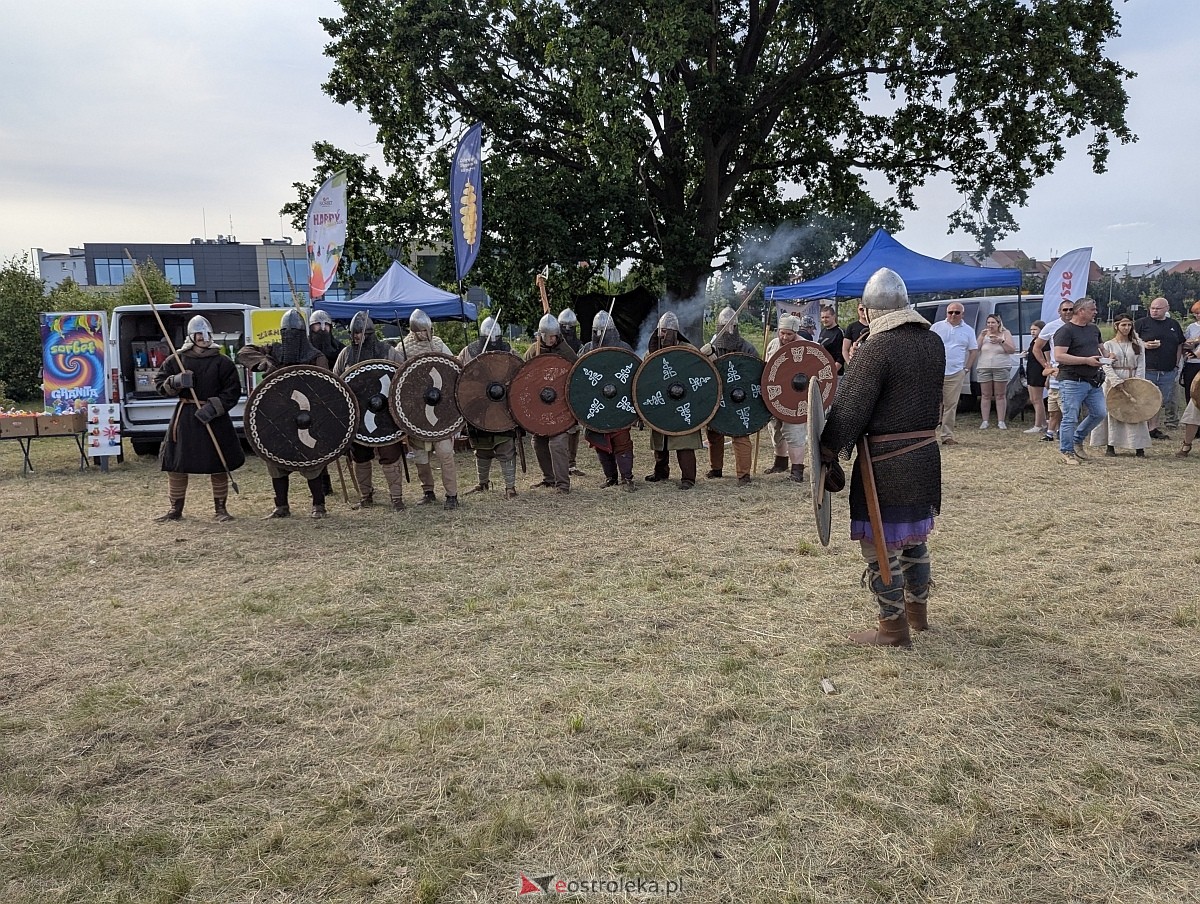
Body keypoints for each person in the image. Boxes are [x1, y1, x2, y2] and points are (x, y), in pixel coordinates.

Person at [820, 268, 944, 648]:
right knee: (913, 540)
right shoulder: (932, 341)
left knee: (880, 543)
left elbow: (850, 409)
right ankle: (917, 614)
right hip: (923, 454)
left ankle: (892, 629)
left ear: (869, 311)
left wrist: (828, 451)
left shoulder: (878, 347)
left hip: (885, 463)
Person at [237, 308, 333, 519]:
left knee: (311, 460)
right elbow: (243, 353)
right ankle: (281, 506)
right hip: (279, 415)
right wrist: (264, 362)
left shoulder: (315, 357)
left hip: (307, 415)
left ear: (302, 333)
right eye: (286, 332)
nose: (290, 336)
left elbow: (325, 388)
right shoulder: (275, 351)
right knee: (275, 459)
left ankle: (319, 505)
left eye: (294, 332)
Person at [153, 315, 246, 523]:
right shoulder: (177, 360)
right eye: (199, 334)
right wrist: (176, 381)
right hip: (185, 418)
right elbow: (159, 384)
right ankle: (175, 509)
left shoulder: (222, 362)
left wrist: (213, 408)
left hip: (214, 418)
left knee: (218, 463)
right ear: (191, 336)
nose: (203, 338)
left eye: (206, 334)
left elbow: (232, 391)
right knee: (176, 464)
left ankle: (220, 509)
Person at [332, 310, 408, 511]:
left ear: (371, 334)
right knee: (361, 457)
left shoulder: (388, 352)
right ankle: (366, 496)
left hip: (385, 415)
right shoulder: (346, 355)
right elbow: (337, 383)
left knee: (390, 455)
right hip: (357, 415)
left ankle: (396, 497)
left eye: (362, 333)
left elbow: (402, 378)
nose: (358, 337)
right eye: (355, 333)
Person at [398, 308, 461, 510]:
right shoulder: (402, 349)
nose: (426, 335)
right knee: (420, 456)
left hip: (440, 408)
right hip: (416, 411)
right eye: (422, 331)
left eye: (428, 330)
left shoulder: (439, 345)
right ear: (414, 330)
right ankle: (428, 491)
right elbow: (398, 381)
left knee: (445, 453)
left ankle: (452, 495)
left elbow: (454, 370)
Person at [457, 316, 518, 499]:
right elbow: (459, 377)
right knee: (481, 448)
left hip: (502, 407)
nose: (493, 343)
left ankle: (510, 487)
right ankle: (482, 483)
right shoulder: (468, 352)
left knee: (505, 446)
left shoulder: (509, 351)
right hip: (478, 407)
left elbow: (520, 376)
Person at [578, 310, 639, 491]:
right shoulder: (587, 350)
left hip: (619, 404)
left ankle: (627, 478)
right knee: (601, 442)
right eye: (596, 331)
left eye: (603, 331)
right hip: (596, 403)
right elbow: (577, 378)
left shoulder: (624, 350)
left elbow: (635, 378)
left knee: (622, 442)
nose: (599, 335)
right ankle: (610, 477)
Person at [643, 311, 703, 489]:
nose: (662, 335)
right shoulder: (652, 353)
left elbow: (704, 374)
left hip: (684, 401)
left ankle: (688, 478)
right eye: (660, 331)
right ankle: (661, 472)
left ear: (675, 332)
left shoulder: (689, 351)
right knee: (660, 439)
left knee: (684, 441)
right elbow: (644, 377)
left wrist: (708, 356)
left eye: (666, 331)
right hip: (662, 401)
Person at [701, 305, 758, 486]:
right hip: (718, 396)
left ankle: (744, 475)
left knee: (740, 435)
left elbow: (755, 374)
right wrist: (705, 357)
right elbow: (703, 373)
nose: (729, 331)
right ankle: (716, 468)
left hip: (740, 399)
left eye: (732, 326)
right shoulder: (713, 347)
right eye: (725, 327)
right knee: (714, 434)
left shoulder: (747, 348)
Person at [524, 313, 577, 493]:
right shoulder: (533, 351)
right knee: (538, 441)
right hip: (541, 405)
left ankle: (563, 484)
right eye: (550, 336)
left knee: (558, 443)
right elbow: (523, 377)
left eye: (556, 335)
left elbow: (575, 375)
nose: (553, 339)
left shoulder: (566, 351)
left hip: (560, 406)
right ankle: (549, 478)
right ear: (542, 336)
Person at [1053, 297, 1107, 465]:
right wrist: (1086, 360)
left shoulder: (1093, 329)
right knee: (1070, 417)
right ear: (1081, 311)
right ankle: (1066, 451)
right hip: (1071, 380)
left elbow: (1102, 347)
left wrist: (1108, 356)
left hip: (1092, 379)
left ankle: (1077, 439)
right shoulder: (1065, 331)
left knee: (1100, 413)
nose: (1095, 312)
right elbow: (1059, 356)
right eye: (1092, 309)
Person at [1088, 313, 1149, 458]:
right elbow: (1106, 365)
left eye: (1129, 325)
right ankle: (1111, 445)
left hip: (1132, 379)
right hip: (1113, 381)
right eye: (1123, 325)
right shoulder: (1108, 345)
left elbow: (1141, 365)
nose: (1127, 328)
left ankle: (1137, 446)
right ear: (1116, 326)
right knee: (1114, 412)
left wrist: (1137, 382)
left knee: (1134, 411)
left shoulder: (1138, 344)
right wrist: (1115, 380)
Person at [763, 314, 808, 482]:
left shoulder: (806, 347)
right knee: (775, 428)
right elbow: (767, 369)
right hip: (776, 396)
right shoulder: (773, 345)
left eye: (789, 334)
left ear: (795, 332)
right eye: (782, 333)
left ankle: (797, 471)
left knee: (794, 432)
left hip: (796, 398)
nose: (784, 337)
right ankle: (780, 463)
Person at [1135, 297, 1185, 437]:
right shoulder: (1141, 323)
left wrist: (1176, 364)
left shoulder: (1174, 324)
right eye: (1152, 308)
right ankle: (1141, 427)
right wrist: (1143, 345)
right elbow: (1130, 341)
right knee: (1144, 399)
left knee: (1159, 400)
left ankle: (1153, 428)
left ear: (1167, 309)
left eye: (1158, 308)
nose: (1154, 311)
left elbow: (1179, 344)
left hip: (1168, 370)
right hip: (1147, 369)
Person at [930, 303, 978, 445]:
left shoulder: (968, 330)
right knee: (932, 405)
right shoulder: (936, 327)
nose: (953, 315)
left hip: (956, 372)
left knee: (951, 405)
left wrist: (966, 369)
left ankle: (947, 436)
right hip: (936, 372)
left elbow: (973, 350)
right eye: (950, 312)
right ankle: (929, 436)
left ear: (962, 314)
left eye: (957, 312)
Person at [1031, 299, 1077, 443]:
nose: (1068, 312)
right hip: (1056, 372)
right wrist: (1047, 366)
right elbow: (1036, 348)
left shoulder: (1081, 326)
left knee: (1069, 406)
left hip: (1075, 371)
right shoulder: (1052, 326)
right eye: (1065, 310)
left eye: (1071, 309)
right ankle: (1052, 432)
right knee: (1054, 406)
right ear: (1059, 311)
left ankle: (1066, 434)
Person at [976, 313, 1017, 429]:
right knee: (985, 395)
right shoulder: (984, 334)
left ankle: (1001, 421)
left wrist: (1001, 341)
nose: (990, 325)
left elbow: (1012, 350)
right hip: (984, 367)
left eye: (993, 322)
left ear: (998, 323)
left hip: (1001, 366)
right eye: (988, 322)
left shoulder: (1005, 333)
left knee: (1000, 395)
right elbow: (976, 349)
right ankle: (985, 421)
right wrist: (981, 336)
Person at [556, 308, 584, 474]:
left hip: (571, 389)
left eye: (570, 327)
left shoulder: (579, 347)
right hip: (553, 391)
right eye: (564, 327)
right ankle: (559, 464)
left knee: (573, 428)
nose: (567, 331)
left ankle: (571, 463)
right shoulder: (549, 345)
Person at [1023, 320, 1049, 433]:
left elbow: (1048, 359)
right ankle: (1043, 422)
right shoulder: (1034, 341)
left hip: (1039, 372)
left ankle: (1038, 425)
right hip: (1031, 371)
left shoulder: (1044, 343)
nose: (1032, 332)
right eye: (1031, 330)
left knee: (1037, 399)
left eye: (1035, 330)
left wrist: (1048, 374)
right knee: (1033, 399)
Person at [1180, 301, 1200, 412]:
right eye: (1196, 313)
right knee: (1191, 391)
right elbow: (1184, 343)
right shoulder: (1191, 327)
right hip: (1192, 364)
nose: (1198, 315)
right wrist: (1189, 345)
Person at [818, 305, 846, 374]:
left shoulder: (839, 332)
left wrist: (832, 373)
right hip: (822, 371)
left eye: (827, 317)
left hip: (836, 374)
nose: (824, 320)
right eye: (822, 317)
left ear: (833, 317)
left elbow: (841, 357)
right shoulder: (823, 331)